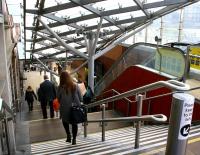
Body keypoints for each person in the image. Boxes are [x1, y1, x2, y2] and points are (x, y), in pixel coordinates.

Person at [57, 71, 82, 145]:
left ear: (61, 78)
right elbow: (80, 97)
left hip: (64, 108)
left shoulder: (60, 87)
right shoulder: (75, 85)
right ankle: (74, 139)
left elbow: (58, 98)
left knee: (65, 121)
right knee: (74, 123)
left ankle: (68, 134)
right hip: (75, 108)